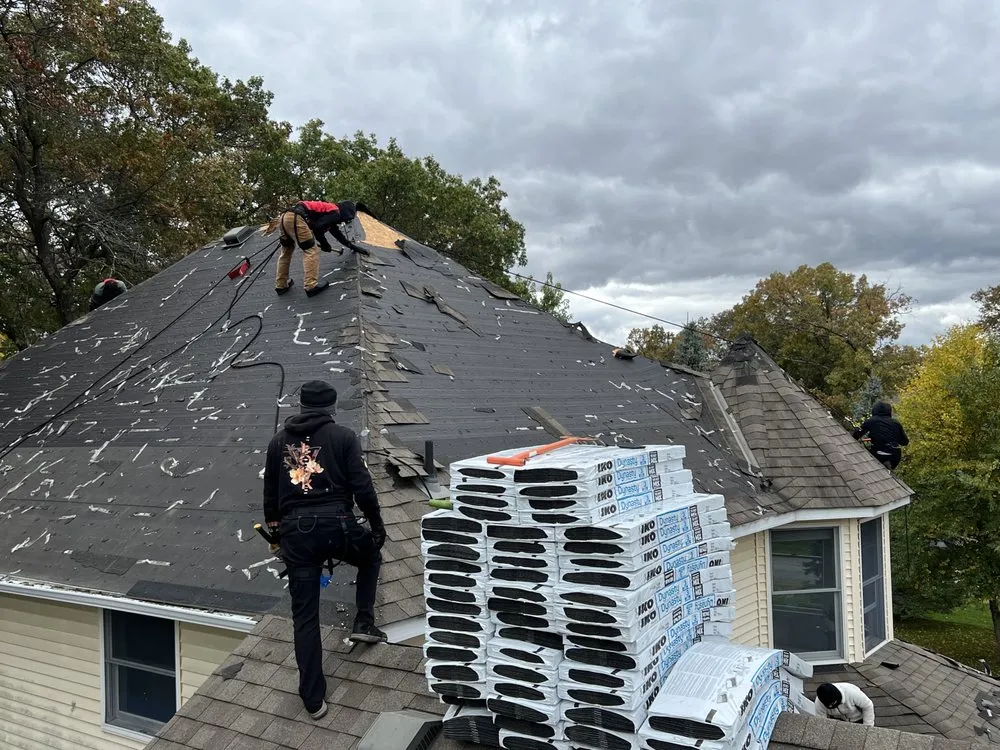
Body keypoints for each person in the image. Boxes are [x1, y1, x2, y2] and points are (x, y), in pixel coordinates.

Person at [262, 379, 388, 720]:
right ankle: (364, 621)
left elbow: (270, 499)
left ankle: (313, 699)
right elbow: (362, 487)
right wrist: (376, 526)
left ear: (302, 406)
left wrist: (277, 537)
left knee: (305, 616)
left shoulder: (278, 442)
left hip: (296, 535)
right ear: (331, 407)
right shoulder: (343, 437)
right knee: (370, 557)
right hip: (337, 525)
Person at [274, 199, 369, 297]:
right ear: (346, 213)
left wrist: (352, 246)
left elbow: (337, 234)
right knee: (311, 250)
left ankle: (281, 285)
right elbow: (317, 227)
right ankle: (311, 286)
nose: (344, 222)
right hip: (296, 217)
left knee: (286, 251)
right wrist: (324, 244)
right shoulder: (335, 212)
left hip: (284, 217)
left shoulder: (330, 211)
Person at [853, 401, 909, 470]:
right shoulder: (896, 423)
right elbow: (905, 442)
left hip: (880, 452)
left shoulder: (872, 421)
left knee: (865, 461)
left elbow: (856, 435)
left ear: (874, 410)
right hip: (896, 455)